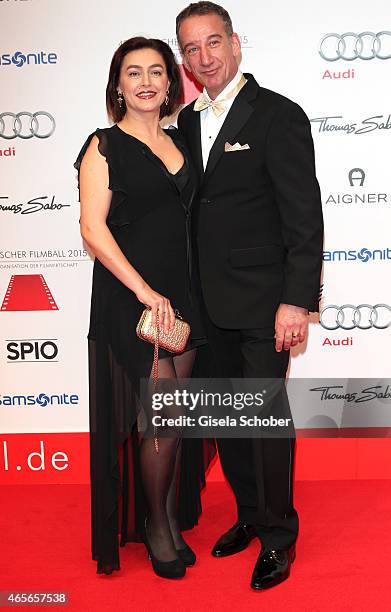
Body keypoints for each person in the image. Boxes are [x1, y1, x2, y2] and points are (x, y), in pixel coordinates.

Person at [176, 2, 324, 590]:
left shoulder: (278, 116)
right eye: (192, 48)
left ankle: (280, 538)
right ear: (184, 59)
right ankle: (248, 515)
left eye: (214, 43)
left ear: (236, 44)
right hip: (204, 307)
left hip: (264, 303)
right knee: (228, 424)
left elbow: (304, 218)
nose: (205, 57)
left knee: (264, 424)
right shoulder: (184, 122)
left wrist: (296, 300)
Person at [74, 36, 214, 579]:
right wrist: (143, 291)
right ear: (118, 85)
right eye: (134, 73)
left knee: (173, 420)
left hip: (185, 296)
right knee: (160, 417)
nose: (147, 81)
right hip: (134, 298)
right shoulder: (102, 145)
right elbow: (92, 228)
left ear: (170, 82)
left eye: (157, 71)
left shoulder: (184, 141)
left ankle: (169, 519)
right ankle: (157, 527)